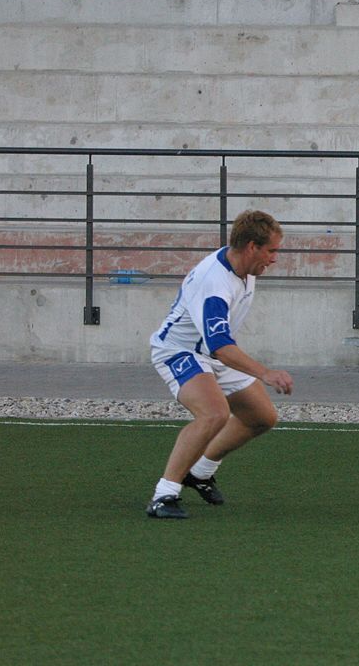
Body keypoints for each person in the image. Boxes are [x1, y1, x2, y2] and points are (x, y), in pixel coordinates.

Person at [144, 209, 294, 519]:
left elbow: (220, 347)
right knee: (213, 413)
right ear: (252, 247)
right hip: (179, 351)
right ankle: (164, 495)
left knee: (261, 417)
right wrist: (266, 373)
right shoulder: (215, 284)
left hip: (211, 352)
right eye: (272, 250)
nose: (274, 258)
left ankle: (199, 473)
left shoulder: (244, 266)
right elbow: (222, 348)